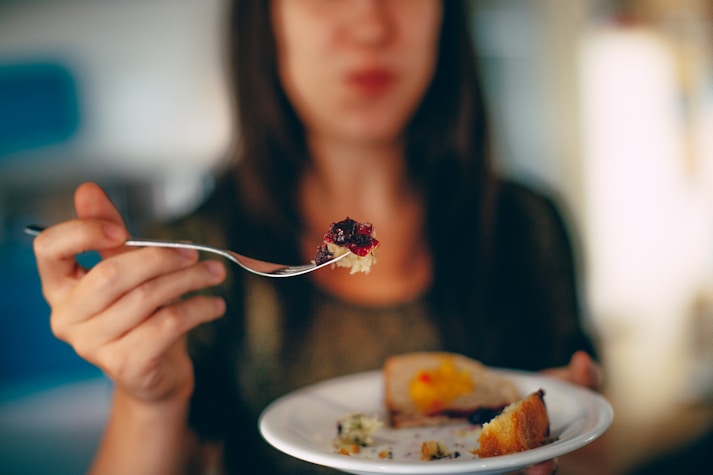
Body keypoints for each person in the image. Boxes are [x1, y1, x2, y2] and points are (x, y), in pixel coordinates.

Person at [31, 1, 611, 474]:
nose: (369, 22)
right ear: (267, 19)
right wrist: (150, 400)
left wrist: (561, 444)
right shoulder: (185, 259)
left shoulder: (528, 223)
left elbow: (590, 453)